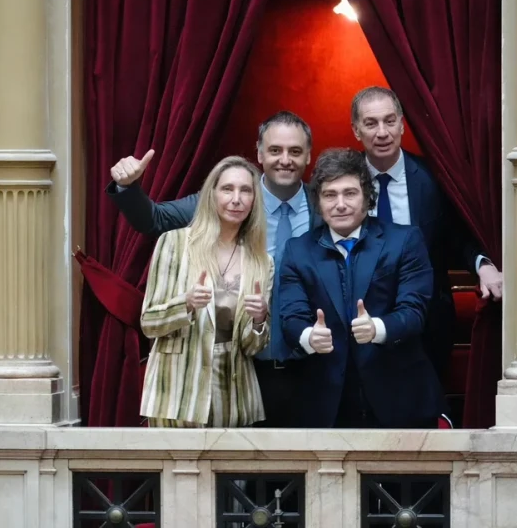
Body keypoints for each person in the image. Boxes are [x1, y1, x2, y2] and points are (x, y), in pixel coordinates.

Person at [108, 111, 317, 427]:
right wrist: (128, 188)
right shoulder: (226, 197)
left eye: (295, 151)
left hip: (304, 367)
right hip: (238, 370)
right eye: (275, 150)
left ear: (308, 156)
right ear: (259, 153)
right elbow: (153, 219)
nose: (284, 159)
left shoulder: (327, 205)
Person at [278, 148, 445, 428]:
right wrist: (309, 336)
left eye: (350, 193)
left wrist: (377, 328)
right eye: (330, 195)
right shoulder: (298, 250)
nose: (340, 204)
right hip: (327, 402)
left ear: (367, 196)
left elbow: (414, 311)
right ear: (318, 202)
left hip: (399, 398)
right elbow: (291, 315)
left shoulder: (404, 241)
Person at [349, 86, 504, 384]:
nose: (382, 132)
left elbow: (456, 237)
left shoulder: (434, 176)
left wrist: (483, 265)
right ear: (356, 130)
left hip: (426, 323)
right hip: (359, 323)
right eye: (371, 123)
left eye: (390, 120)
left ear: (403, 124)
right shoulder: (343, 182)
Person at [139, 156, 272, 427]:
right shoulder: (174, 242)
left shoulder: (261, 262)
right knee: (176, 469)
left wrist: (259, 321)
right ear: (211, 194)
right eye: (227, 189)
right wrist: (185, 303)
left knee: (229, 471)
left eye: (246, 191)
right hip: (176, 393)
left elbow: (252, 347)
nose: (236, 199)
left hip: (233, 396)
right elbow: (148, 323)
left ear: (254, 200)